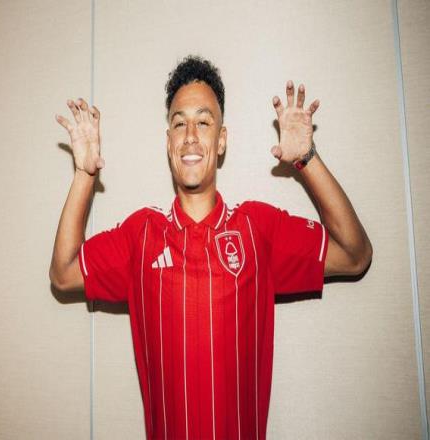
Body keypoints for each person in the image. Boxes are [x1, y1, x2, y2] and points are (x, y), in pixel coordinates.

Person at [49, 55, 372, 440]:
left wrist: (307, 158)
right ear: (168, 141)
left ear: (221, 141)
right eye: (179, 123)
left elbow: (355, 254)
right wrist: (84, 175)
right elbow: (63, 273)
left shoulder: (257, 228)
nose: (190, 135)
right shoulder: (141, 235)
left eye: (203, 122)